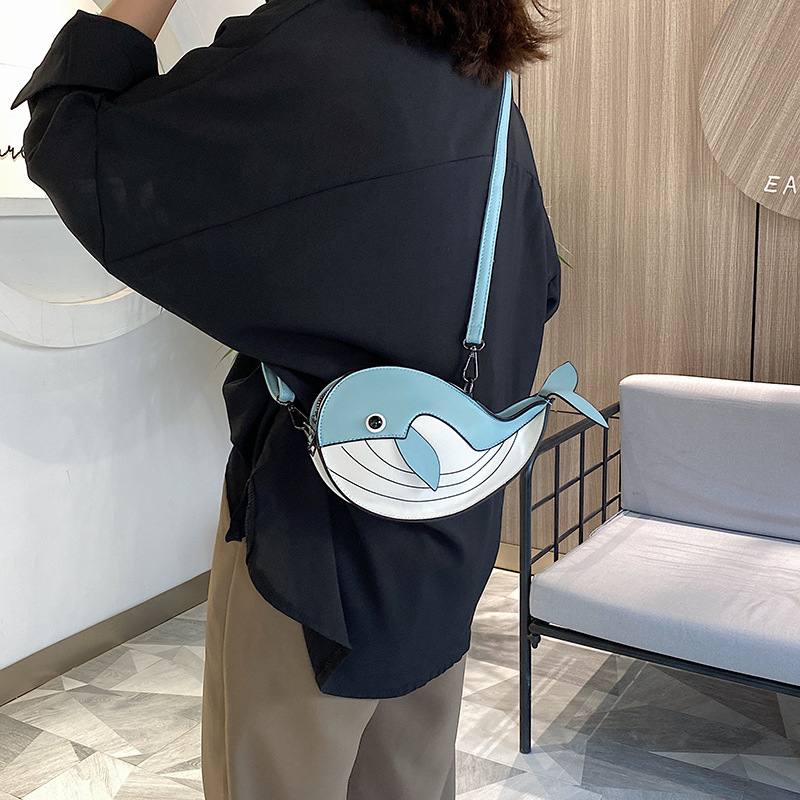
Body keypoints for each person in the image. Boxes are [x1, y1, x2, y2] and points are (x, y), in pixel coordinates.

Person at [11, 0, 561, 797]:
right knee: (408, 778)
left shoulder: (311, 48)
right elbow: (537, 285)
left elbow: (74, 142)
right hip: (447, 528)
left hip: (320, 555)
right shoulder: (480, 75)